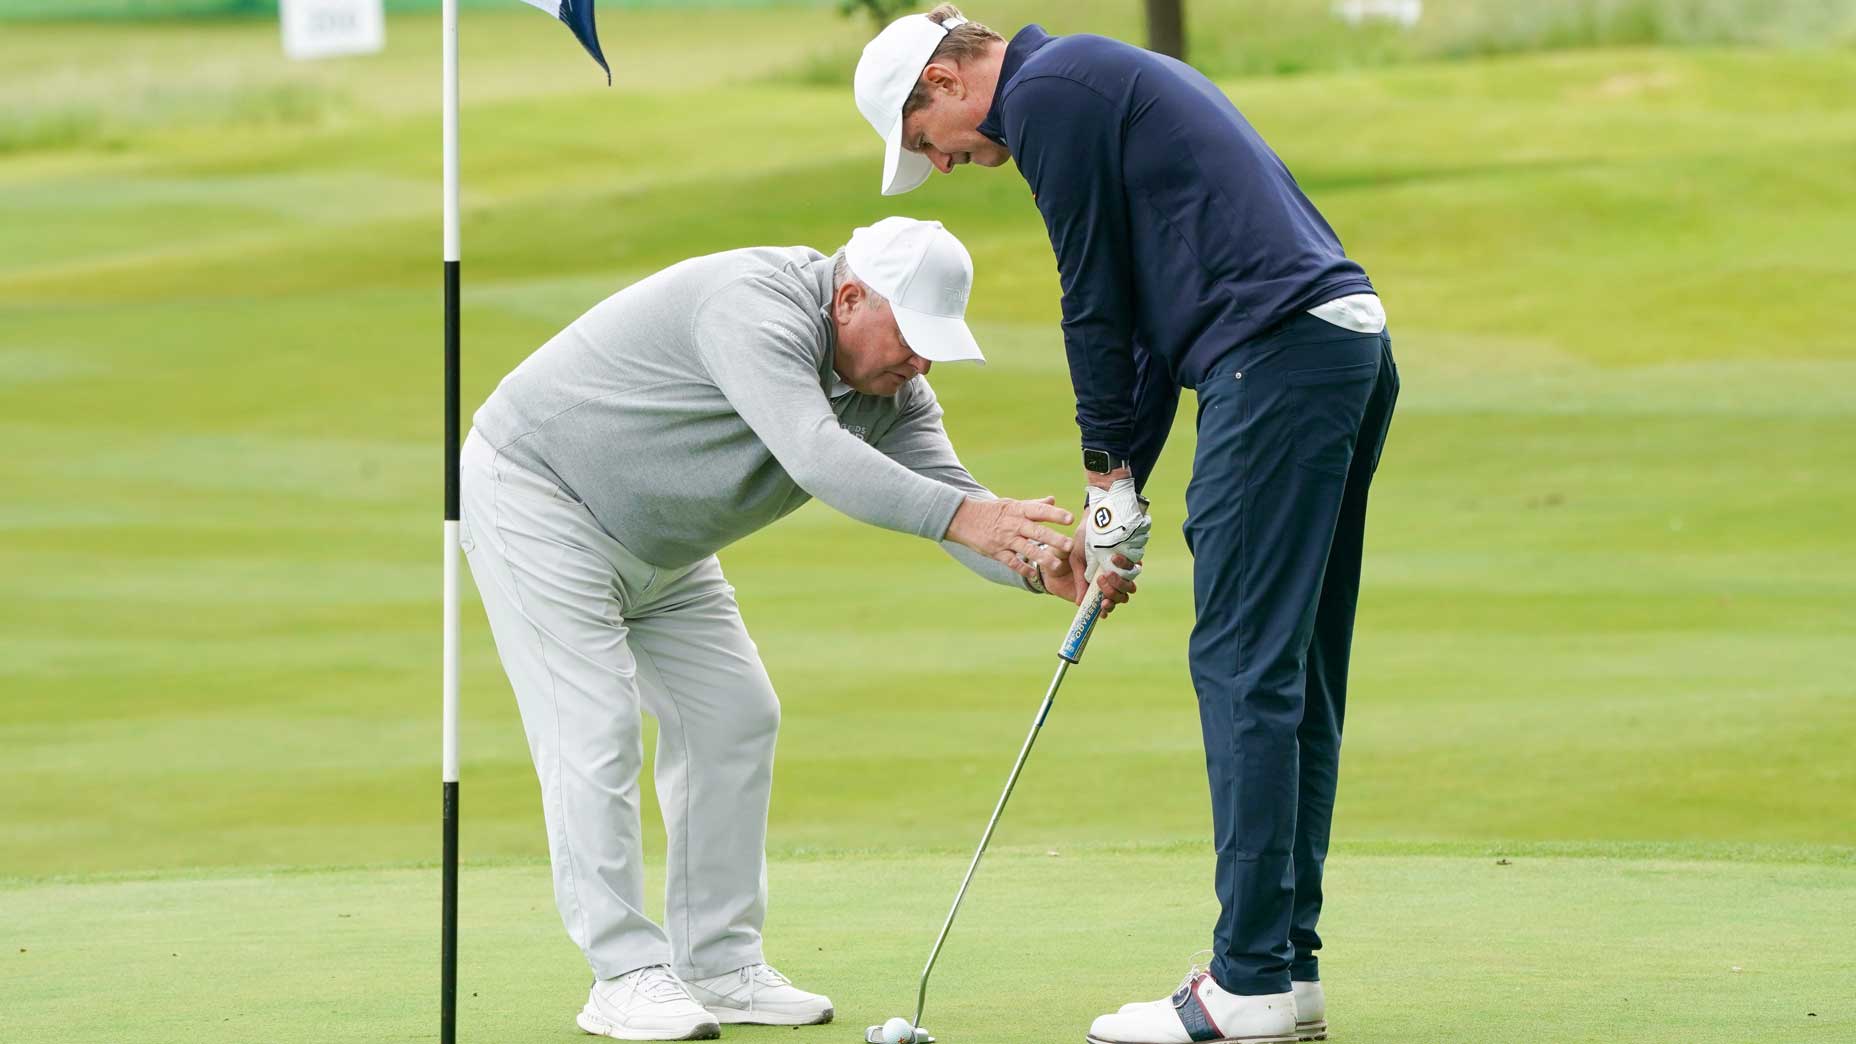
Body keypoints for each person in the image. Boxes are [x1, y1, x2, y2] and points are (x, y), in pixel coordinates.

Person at [854, 10, 1400, 1044]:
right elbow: (1146, 325)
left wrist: (1104, 474)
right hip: (1338, 353)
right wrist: (1122, 494)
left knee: (1242, 667)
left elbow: (1092, 302)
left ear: (946, 81)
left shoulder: (1050, 98)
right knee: (1291, 672)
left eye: (932, 143)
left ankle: (1245, 982)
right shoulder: (1093, 81)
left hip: (1274, 362)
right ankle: (1283, 969)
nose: (955, 165)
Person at [461, 217, 1132, 1041]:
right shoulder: (752, 304)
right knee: (593, 727)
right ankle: (625, 974)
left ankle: (719, 963)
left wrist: (1041, 565)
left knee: (736, 714)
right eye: (911, 339)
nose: (920, 363)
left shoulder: (893, 396)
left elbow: (957, 500)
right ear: (849, 298)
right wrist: (975, 521)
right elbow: (819, 456)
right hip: (539, 496)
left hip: (666, 547)